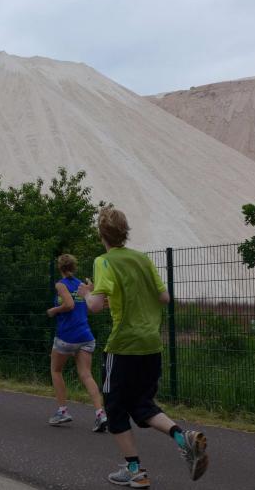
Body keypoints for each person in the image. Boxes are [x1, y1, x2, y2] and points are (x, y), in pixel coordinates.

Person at [77, 206, 209, 487]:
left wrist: (87, 293)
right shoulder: (142, 259)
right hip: (151, 345)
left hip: (123, 346)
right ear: (125, 232)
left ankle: (135, 471)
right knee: (141, 405)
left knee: (114, 408)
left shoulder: (103, 261)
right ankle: (182, 438)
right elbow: (164, 297)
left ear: (101, 234)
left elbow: (95, 307)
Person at [46, 253, 107, 432]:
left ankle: (62, 411)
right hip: (85, 335)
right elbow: (90, 307)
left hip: (66, 336)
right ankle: (100, 415)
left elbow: (69, 305)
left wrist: (54, 310)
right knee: (86, 375)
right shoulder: (82, 285)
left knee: (56, 370)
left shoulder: (60, 284)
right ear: (74, 266)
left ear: (60, 267)